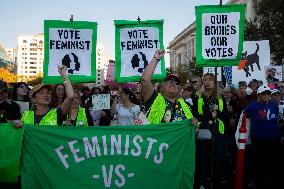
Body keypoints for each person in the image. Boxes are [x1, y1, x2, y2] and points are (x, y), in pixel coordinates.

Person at [141, 49, 197, 125]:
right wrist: (156, 58)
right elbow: (145, 79)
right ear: (162, 87)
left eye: (176, 82)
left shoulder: (187, 106)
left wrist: (194, 127)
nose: (173, 82)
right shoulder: (153, 99)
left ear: (180, 88)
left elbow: (194, 133)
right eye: (169, 80)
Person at [192, 73, 228, 189]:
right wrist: (209, 117)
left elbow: (226, 116)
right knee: (201, 158)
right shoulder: (198, 97)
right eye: (205, 80)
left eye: (210, 80)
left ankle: (216, 181)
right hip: (203, 131)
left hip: (218, 132)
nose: (208, 82)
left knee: (218, 158)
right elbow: (196, 115)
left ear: (214, 81)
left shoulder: (220, 97)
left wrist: (218, 114)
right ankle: (202, 182)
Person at [244, 85, 282, 189]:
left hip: (274, 139)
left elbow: (276, 119)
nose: (266, 95)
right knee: (259, 163)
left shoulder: (274, 105)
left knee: (275, 162)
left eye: (268, 93)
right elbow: (245, 116)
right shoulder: (252, 106)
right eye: (263, 93)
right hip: (259, 140)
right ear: (258, 95)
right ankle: (259, 183)